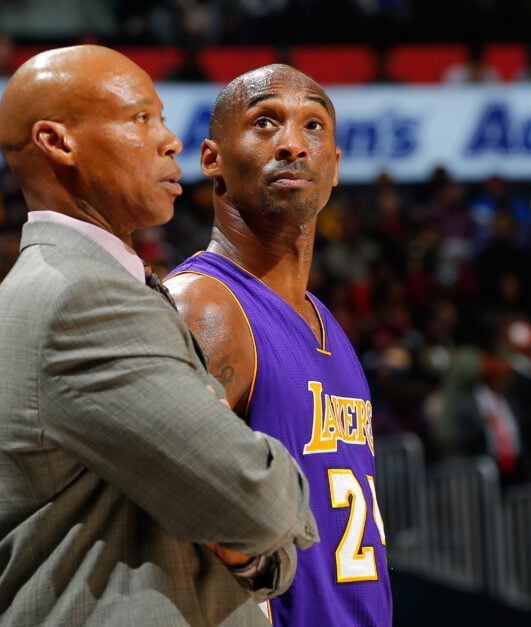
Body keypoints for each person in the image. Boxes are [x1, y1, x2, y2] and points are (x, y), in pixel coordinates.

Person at [0, 45, 318, 626]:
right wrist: (276, 502)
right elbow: (256, 501)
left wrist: (262, 551)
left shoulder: (84, 284)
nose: (170, 140)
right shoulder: (84, 298)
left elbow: (240, 519)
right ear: (58, 143)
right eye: (141, 119)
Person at [164, 64, 392, 626]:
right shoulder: (205, 307)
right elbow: (174, 494)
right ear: (211, 159)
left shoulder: (323, 320)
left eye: (313, 126)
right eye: (265, 122)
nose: (293, 144)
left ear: (334, 167)